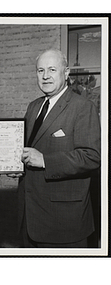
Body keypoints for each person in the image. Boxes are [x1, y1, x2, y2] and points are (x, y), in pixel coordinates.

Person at [18, 49, 101, 248]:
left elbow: (92, 157)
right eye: (40, 70)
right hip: (29, 217)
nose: (45, 76)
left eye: (52, 69)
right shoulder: (33, 107)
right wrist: (17, 164)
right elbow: (30, 148)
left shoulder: (83, 107)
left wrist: (46, 161)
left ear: (66, 73)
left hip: (63, 223)